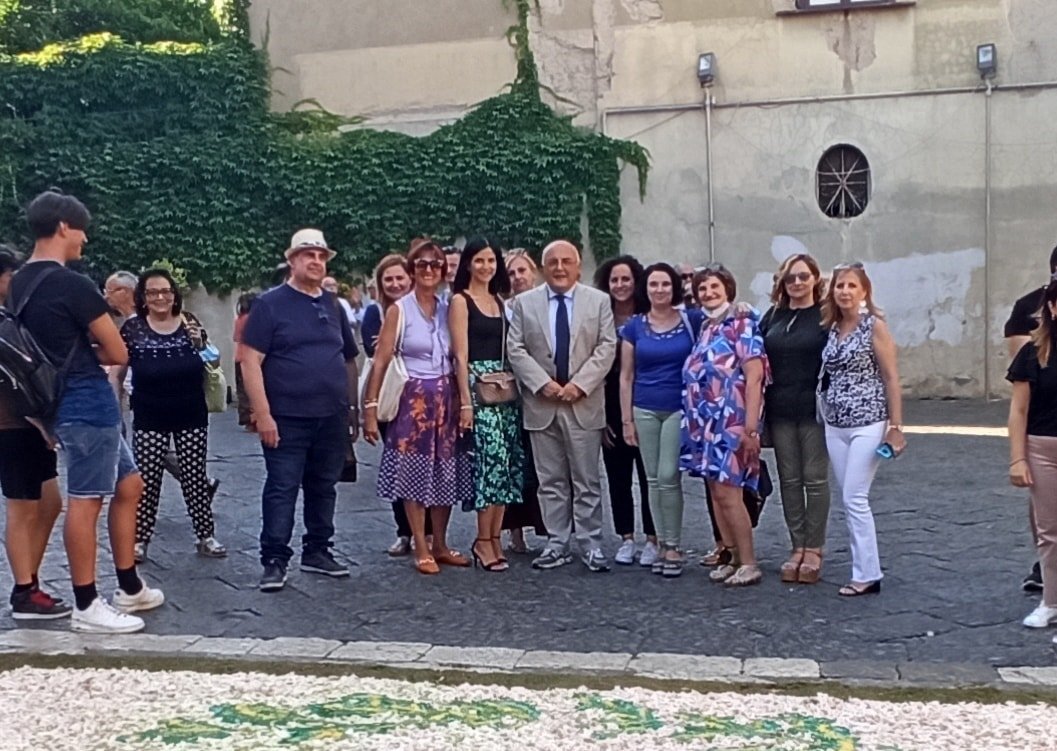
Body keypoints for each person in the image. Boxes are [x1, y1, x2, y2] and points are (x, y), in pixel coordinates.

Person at [10, 191, 162, 632]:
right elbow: (117, 351)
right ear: (63, 227)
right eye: (81, 230)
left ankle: (129, 585)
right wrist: (89, 350)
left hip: (54, 400)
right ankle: (87, 603)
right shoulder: (73, 284)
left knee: (129, 483)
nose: (85, 240)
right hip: (87, 398)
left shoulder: (18, 283)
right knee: (87, 500)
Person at [241, 228, 360, 591]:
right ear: (292, 260)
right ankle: (274, 558)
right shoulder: (269, 304)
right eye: (309, 255)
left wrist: (352, 409)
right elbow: (249, 360)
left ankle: (318, 550)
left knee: (324, 486)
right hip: (287, 416)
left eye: (322, 256)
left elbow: (348, 359)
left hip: (331, 415)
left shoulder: (333, 304)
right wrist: (263, 414)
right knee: (282, 487)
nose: (316, 261)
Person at [507, 240, 617, 572]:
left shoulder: (598, 301)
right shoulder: (524, 303)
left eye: (566, 261)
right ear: (542, 268)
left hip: (583, 403)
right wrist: (543, 383)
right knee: (550, 480)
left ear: (578, 266)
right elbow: (515, 349)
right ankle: (557, 543)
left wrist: (580, 385)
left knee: (586, 480)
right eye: (552, 262)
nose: (559, 267)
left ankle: (591, 543)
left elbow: (606, 347)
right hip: (542, 404)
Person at [363, 239, 471, 575]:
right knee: (413, 471)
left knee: (445, 470)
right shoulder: (399, 310)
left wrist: (464, 401)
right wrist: (370, 409)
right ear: (412, 270)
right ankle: (421, 546)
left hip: (446, 398)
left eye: (435, 265)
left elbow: (459, 354)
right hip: (413, 401)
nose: (428, 270)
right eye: (421, 264)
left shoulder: (448, 307)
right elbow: (380, 361)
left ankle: (440, 543)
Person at [118, 269, 226, 562]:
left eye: (165, 291)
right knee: (148, 478)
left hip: (190, 411)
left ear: (174, 294)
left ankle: (206, 536)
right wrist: (115, 408)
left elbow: (213, 359)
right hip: (149, 413)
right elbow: (119, 369)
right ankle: (140, 540)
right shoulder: (133, 329)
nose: (160, 297)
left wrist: (200, 344)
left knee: (194, 475)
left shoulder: (190, 322)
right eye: (153, 292)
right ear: (143, 297)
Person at [817, 263, 905, 597]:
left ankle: (867, 573)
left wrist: (896, 426)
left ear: (864, 291)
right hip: (835, 423)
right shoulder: (832, 327)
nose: (845, 291)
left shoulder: (874, 327)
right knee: (848, 497)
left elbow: (891, 377)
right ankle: (864, 568)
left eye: (852, 286)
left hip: (868, 421)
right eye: (840, 286)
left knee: (855, 497)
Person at [681, 263, 768, 587]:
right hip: (705, 424)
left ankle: (749, 561)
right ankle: (731, 557)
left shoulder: (741, 323)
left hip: (731, 422)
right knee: (716, 491)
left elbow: (755, 376)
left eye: (714, 286)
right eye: (702, 288)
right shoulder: (706, 327)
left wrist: (751, 428)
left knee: (730, 493)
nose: (708, 293)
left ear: (728, 289)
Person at [0, 245, 70, 620]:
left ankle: (28, 580)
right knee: (22, 507)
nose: (15, 281)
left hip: (25, 422)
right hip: (13, 424)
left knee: (49, 502)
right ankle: (24, 591)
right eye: (10, 275)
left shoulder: (9, 316)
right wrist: (38, 419)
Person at [620, 262, 702, 577]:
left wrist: (742, 309)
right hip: (644, 408)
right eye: (653, 284)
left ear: (674, 287)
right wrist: (626, 420)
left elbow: (723, 318)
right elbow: (626, 376)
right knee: (652, 479)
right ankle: (663, 545)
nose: (659, 290)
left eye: (665, 284)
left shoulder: (691, 320)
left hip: (679, 407)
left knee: (669, 475)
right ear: (646, 288)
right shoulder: (634, 326)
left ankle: (674, 545)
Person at [450, 237, 523, 571]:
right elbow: (460, 355)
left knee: (506, 464)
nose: (486, 266)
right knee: (489, 462)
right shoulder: (461, 301)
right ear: (468, 263)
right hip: (478, 387)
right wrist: (465, 403)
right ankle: (482, 538)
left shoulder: (499, 300)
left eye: (491, 260)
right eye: (479, 260)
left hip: (504, 388)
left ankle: (495, 537)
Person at [760, 253, 831, 584]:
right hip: (780, 409)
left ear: (815, 278)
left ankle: (814, 548)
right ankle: (797, 545)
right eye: (790, 277)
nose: (797, 282)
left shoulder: (826, 315)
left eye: (803, 276)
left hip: (814, 410)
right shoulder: (774, 315)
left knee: (814, 479)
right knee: (789, 480)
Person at [360, 253, 424, 557]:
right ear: (380, 284)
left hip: (424, 398)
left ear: (410, 278)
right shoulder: (375, 313)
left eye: (400, 277)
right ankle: (405, 532)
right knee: (400, 467)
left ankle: (429, 532)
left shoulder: (424, 308)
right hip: (392, 398)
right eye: (389, 279)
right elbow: (376, 351)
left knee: (428, 465)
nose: (396, 283)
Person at [594, 255, 657, 567]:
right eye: (614, 280)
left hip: (647, 402)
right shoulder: (599, 318)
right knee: (618, 477)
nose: (620, 285)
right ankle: (626, 538)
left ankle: (653, 539)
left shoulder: (651, 316)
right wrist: (602, 417)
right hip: (609, 406)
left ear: (636, 282)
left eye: (626, 279)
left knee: (649, 477)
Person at [1005, 246, 1057, 593]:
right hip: (1044, 423)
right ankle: (1046, 569)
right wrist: (1018, 454)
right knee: (1046, 507)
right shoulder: (1029, 307)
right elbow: (1025, 370)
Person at [501, 249, 547, 552]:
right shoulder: (501, 310)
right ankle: (515, 532)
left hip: (543, 394)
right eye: (511, 273)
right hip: (509, 396)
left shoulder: (547, 304)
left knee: (545, 467)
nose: (517, 277)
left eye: (522, 271)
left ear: (533, 273)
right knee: (514, 466)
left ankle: (552, 529)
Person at [233, 291, 258, 428]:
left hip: (239, 357)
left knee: (242, 390)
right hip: (252, 358)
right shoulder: (253, 319)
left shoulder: (240, 319)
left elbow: (236, 338)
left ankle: (246, 418)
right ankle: (254, 418)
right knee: (254, 388)